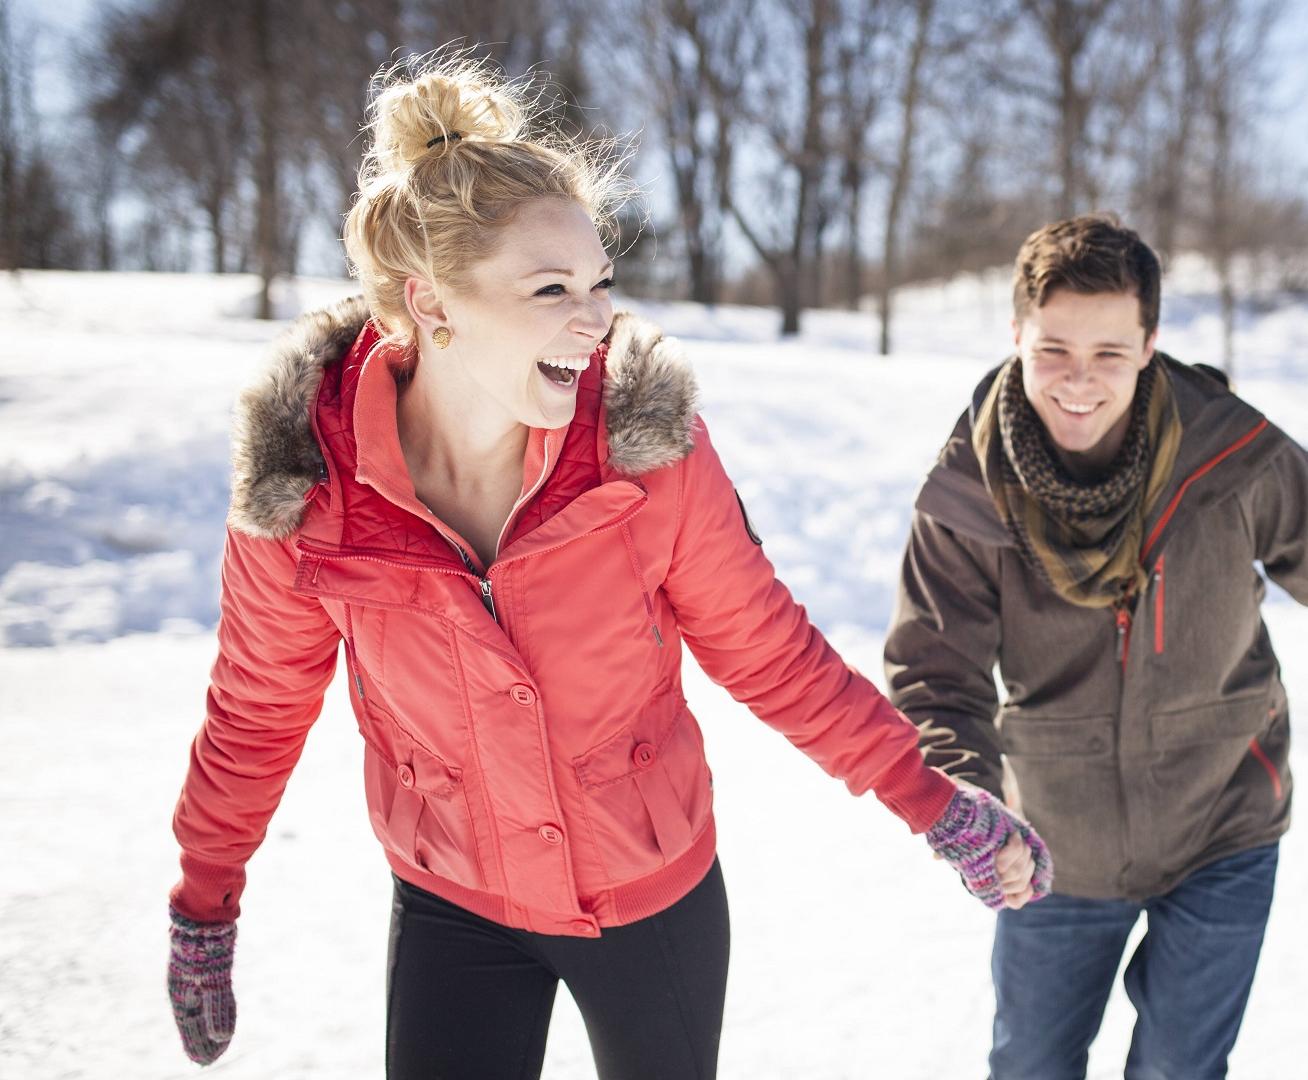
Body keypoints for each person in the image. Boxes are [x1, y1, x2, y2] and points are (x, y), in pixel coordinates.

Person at [163, 55, 1048, 1080]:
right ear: (432, 301)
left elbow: (771, 654)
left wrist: (933, 801)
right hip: (453, 902)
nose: (596, 320)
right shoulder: (309, 490)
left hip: (651, 899)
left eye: (600, 283)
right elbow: (256, 709)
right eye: (551, 290)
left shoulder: (641, 448)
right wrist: (204, 903)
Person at [883, 214, 1308, 1080]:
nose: (1079, 382)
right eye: (1053, 350)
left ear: (1151, 344)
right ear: (1016, 333)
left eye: (1110, 354)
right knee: (1030, 1067)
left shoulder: (1231, 462)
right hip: (1053, 844)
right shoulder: (970, 491)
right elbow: (935, 676)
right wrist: (975, 809)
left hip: (1224, 826)